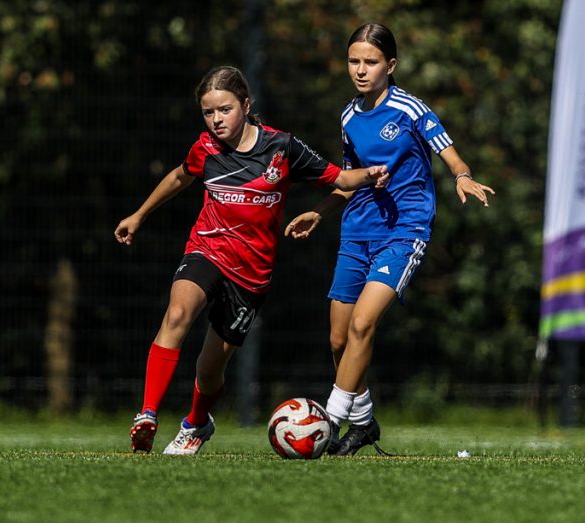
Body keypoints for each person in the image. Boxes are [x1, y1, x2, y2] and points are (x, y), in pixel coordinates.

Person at [115, 66, 389, 455]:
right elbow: (179, 176)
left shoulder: (283, 147)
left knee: (210, 369)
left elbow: (339, 179)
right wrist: (139, 214)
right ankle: (147, 414)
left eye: (224, 109)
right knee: (177, 314)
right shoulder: (205, 148)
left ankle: (196, 423)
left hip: (250, 275)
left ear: (245, 105)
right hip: (207, 249)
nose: (216, 120)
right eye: (208, 112)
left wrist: (369, 174)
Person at [285, 22, 494, 457]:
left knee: (363, 324)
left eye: (371, 62)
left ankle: (326, 422)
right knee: (339, 340)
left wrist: (462, 176)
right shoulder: (348, 116)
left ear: (391, 65)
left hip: (404, 231)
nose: (361, 70)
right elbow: (350, 181)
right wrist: (320, 211)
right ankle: (364, 422)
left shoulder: (410, 109)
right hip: (356, 231)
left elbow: (450, 154)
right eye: (354, 61)